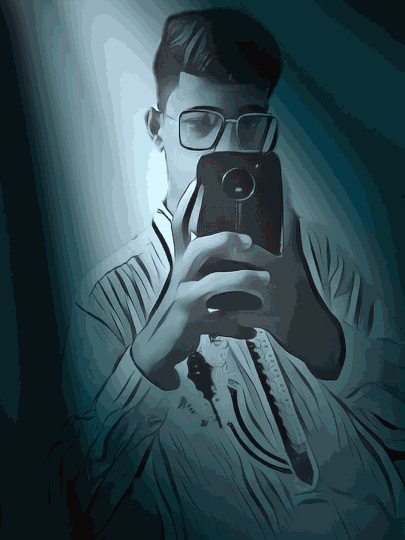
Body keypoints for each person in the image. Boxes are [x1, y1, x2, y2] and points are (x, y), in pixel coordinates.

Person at [52, 8, 405, 539]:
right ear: (157, 130)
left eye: (250, 123)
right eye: (200, 123)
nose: (229, 148)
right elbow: (75, 506)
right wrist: (150, 358)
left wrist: (326, 341)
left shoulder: (318, 255)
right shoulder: (112, 297)